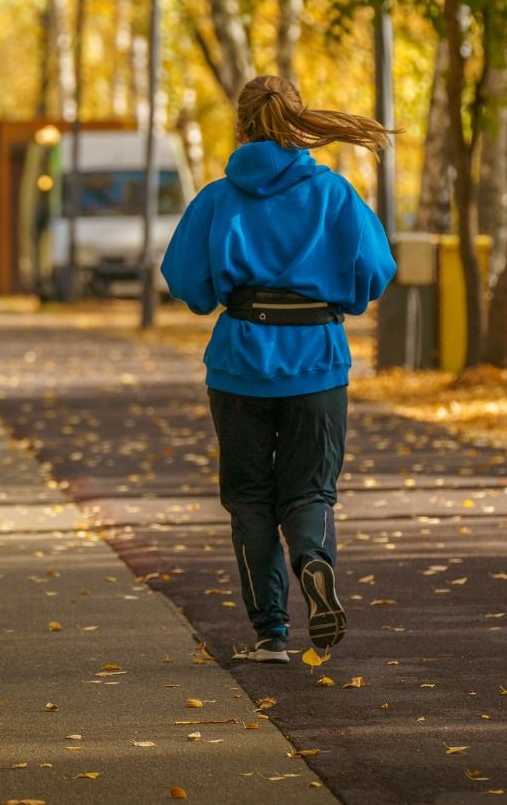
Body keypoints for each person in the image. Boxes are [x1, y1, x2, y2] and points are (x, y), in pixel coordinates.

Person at [160, 75, 397, 664]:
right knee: (310, 489)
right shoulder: (335, 194)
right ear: (299, 122)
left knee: (249, 498)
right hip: (317, 360)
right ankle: (313, 557)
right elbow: (376, 271)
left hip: (240, 361)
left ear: (240, 127)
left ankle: (270, 634)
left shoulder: (217, 198)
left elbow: (186, 282)